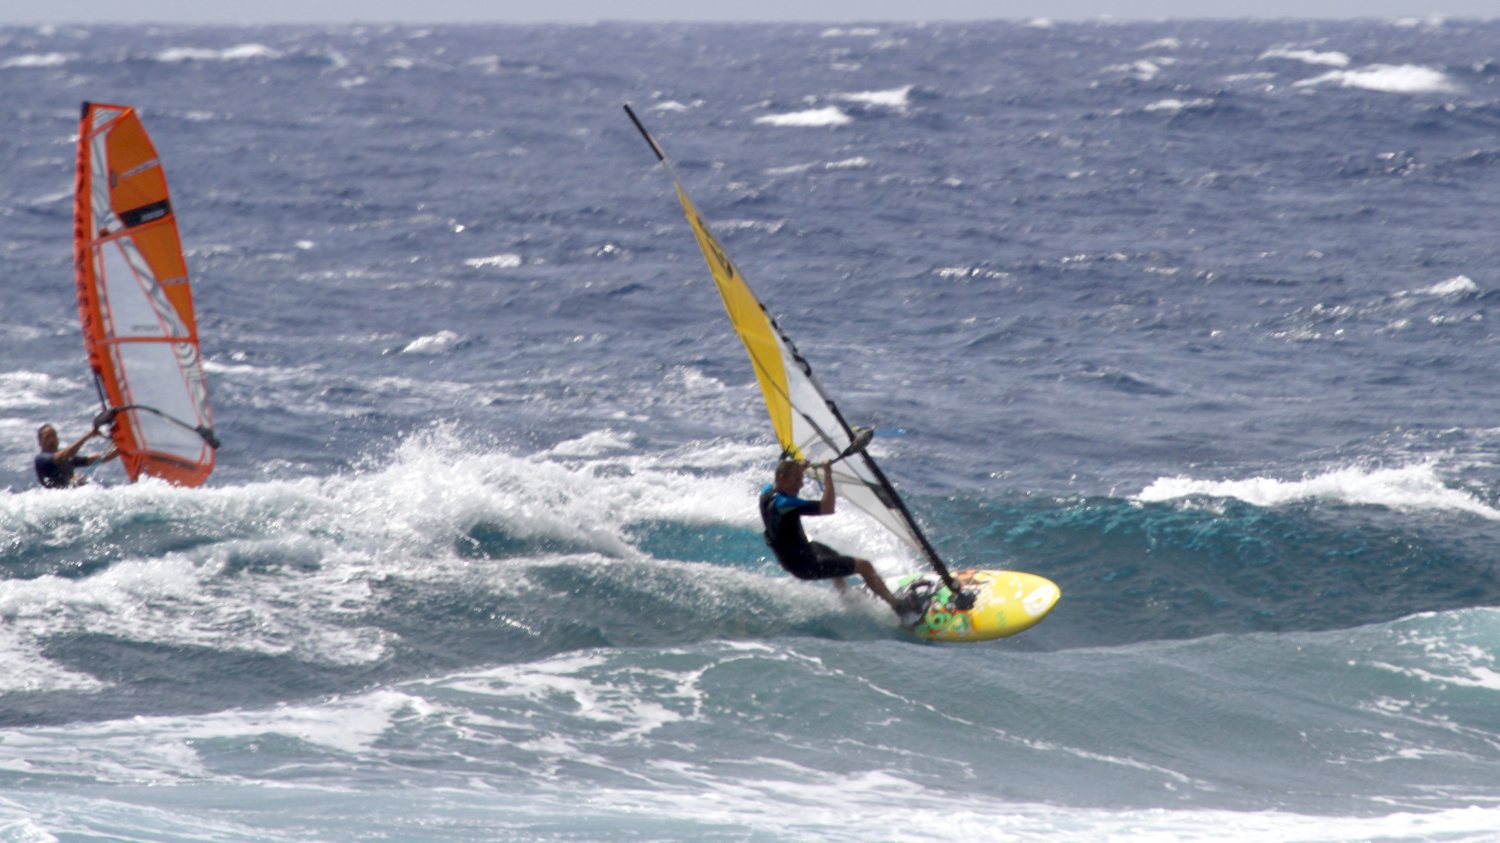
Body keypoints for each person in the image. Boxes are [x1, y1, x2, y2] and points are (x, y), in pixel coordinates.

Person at [760, 458, 924, 627]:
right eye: (797, 480)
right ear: (781, 477)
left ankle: (845, 596)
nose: (801, 485)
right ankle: (898, 607)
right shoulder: (786, 503)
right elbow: (827, 507)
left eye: (801, 479)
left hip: (794, 555)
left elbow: (782, 484)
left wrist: (798, 469)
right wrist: (828, 475)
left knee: (834, 556)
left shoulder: (766, 493)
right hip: (805, 565)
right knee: (864, 565)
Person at [34, 421, 117, 489]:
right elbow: (65, 455)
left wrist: (119, 448)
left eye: (54, 436)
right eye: (47, 437)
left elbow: (101, 458)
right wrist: (88, 435)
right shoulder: (41, 459)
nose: (52, 440)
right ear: (40, 442)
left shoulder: (67, 458)